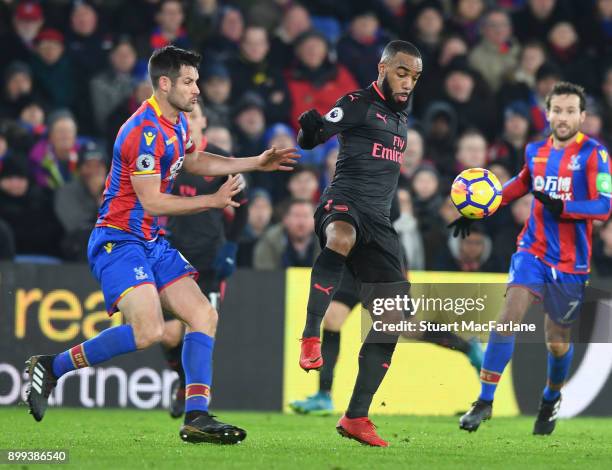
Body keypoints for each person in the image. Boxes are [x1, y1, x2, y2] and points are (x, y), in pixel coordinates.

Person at [24, 45, 299, 445]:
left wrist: (255, 161)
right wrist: (212, 200)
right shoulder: (141, 131)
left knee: (203, 315)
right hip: (118, 241)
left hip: (151, 241)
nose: (197, 90)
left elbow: (194, 161)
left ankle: (197, 416)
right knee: (149, 329)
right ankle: (53, 366)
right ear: (165, 83)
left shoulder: (177, 124)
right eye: (189, 82)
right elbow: (152, 200)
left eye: (197, 81)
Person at [297, 40, 473, 447]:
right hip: (342, 204)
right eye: (401, 72)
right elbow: (316, 136)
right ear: (382, 67)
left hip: (379, 225)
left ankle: (356, 416)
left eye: (414, 76)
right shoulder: (358, 102)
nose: (408, 82)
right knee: (341, 236)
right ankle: (310, 337)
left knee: (394, 317)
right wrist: (309, 128)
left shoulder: (401, 121)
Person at [451, 82, 611, 435]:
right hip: (532, 250)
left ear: (582, 116)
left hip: (571, 262)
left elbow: (604, 205)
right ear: (548, 112)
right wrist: (481, 208)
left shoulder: (596, 155)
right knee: (507, 317)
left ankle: (551, 396)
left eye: (571, 111)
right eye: (558, 110)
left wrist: (564, 207)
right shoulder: (535, 151)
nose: (564, 117)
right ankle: (484, 400)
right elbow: (521, 184)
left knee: (557, 342)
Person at [159, 98, 249, 418]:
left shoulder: (221, 163)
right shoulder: (171, 160)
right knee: (167, 332)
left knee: (200, 327)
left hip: (209, 260)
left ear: (204, 121)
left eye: (192, 115)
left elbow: (243, 208)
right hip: (173, 257)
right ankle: (183, 381)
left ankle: (196, 404)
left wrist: (231, 249)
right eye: (182, 116)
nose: (187, 121)